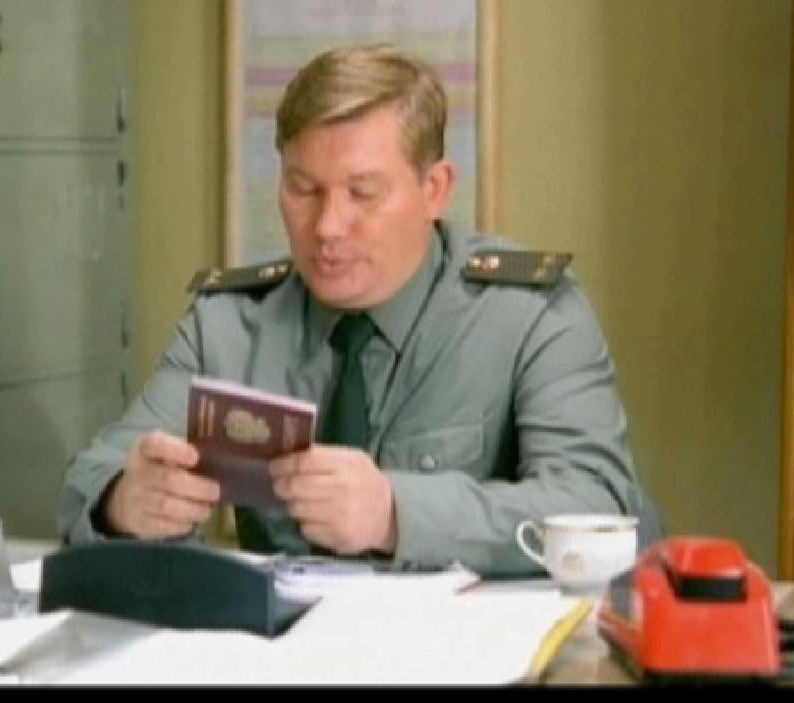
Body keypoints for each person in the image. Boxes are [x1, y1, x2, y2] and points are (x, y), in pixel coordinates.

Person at [59, 44, 658, 575]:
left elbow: (599, 503)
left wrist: (395, 514)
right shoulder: (228, 324)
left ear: (435, 190)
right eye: (304, 189)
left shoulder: (529, 314)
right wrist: (123, 502)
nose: (328, 226)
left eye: (362, 193)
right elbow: (90, 477)